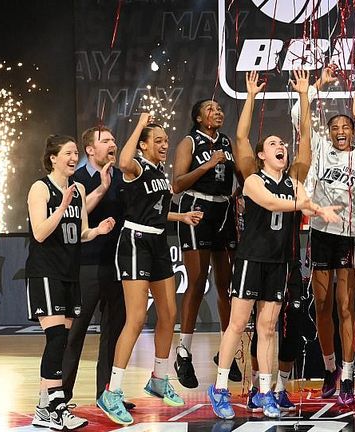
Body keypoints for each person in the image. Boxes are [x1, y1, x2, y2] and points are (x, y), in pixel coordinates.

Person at [207, 70, 341, 419]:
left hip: (280, 262)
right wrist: (250, 96)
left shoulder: (294, 179)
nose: (281, 146)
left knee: (268, 328)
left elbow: (307, 143)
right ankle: (220, 387)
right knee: (237, 325)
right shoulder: (253, 179)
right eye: (273, 144)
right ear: (262, 155)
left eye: (283, 143)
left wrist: (305, 97)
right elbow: (271, 202)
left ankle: (266, 390)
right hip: (252, 258)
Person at [97, 114, 203, 426]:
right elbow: (124, 160)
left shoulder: (157, 171)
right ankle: (112, 391)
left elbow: (155, 209)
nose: (164, 145)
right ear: (144, 144)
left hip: (157, 243)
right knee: (137, 317)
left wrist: (180, 218)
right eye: (157, 140)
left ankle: (159, 378)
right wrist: (141, 122)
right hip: (135, 241)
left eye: (165, 141)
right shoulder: (136, 166)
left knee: (170, 314)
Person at [296, 66, 355, 405]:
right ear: (328, 133)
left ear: (354, 132)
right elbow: (300, 119)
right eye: (335, 127)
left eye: (346, 127)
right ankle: (329, 367)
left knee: (346, 306)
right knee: (323, 304)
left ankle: (347, 372)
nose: (340, 131)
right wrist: (313, 87)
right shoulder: (320, 149)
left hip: (351, 236)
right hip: (320, 232)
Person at [27, 135, 115, 430]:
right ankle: (56, 404)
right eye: (67, 153)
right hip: (45, 272)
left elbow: (79, 232)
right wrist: (62, 207)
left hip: (70, 271)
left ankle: (44, 408)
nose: (72, 157)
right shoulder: (40, 188)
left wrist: (97, 231)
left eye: (75, 152)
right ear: (52, 158)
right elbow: (40, 233)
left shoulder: (77, 189)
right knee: (57, 340)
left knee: (60, 341)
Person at [62, 127, 132, 411]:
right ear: (90, 150)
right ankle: (61, 396)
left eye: (114, 140)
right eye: (106, 141)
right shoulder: (76, 180)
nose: (113, 144)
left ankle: (107, 394)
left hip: (118, 265)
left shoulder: (123, 178)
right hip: (86, 266)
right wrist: (102, 187)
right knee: (73, 333)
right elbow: (78, 216)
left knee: (113, 333)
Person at [172, 98, 240, 388]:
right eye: (210, 109)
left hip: (223, 211)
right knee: (198, 281)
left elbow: (239, 176)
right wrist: (208, 165)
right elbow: (177, 184)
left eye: (220, 108)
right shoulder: (190, 141)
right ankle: (183, 351)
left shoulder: (225, 141)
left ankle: (226, 350)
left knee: (227, 286)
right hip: (197, 210)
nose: (218, 112)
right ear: (198, 118)